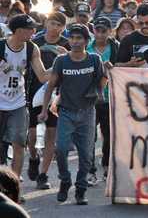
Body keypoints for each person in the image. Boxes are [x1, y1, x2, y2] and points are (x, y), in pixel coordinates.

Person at [39, 24, 106, 205]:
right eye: (72, 38)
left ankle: (81, 189)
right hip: (66, 113)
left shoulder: (94, 59)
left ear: (86, 40)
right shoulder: (61, 61)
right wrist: (45, 110)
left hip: (87, 113)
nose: (75, 41)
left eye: (79, 38)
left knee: (85, 155)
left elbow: (102, 78)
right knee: (60, 149)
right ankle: (65, 180)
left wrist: (98, 91)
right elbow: (51, 86)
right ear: (68, 40)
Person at [0, 14, 50, 182]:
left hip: (18, 105)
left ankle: (14, 186)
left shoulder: (31, 48)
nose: (34, 31)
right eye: (30, 29)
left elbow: (43, 76)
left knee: (19, 145)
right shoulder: (1, 47)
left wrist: (61, 64)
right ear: (19, 31)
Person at [27, 12, 69, 190]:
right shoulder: (34, 41)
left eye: (59, 25)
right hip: (32, 91)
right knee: (33, 134)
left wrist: (67, 55)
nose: (55, 28)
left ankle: (43, 175)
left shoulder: (66, 44)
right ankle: (33, 158)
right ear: (46, 23)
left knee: (51, 134)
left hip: (55, 95)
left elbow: (72, 65)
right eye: (53, 23)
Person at [86, 17, 119, 185]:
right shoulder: (87, 47)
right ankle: (90, 170)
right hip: (90, 98)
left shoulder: (116, 47)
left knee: (108, 136)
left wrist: (114, 67)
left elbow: (122, 68)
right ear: (93, 30)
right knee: (89, 136)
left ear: (110, 31)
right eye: (97, 30)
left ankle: (106, 166)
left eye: (103, 30)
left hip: (110, 98)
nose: (100, 33)